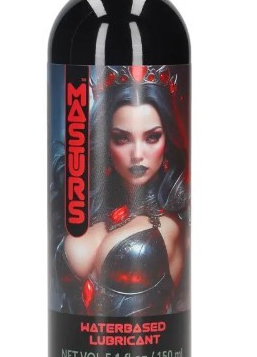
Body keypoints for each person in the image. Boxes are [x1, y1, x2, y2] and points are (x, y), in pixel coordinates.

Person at [51, 65, 190, 317]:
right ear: (106, 142)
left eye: (152, 137)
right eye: (122, 138)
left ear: (167, 140)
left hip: (154, 342)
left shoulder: (175, 226)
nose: (137, 154)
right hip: (70, 340)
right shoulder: (86, 205)